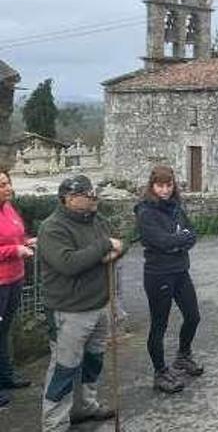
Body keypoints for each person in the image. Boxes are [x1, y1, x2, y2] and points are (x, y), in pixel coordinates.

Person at [38, 175, 124, 431]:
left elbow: (120, 243)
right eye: (88, 195)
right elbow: (69, 263)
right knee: (64, 367)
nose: (94, 198)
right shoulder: (52, 228)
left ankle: (86, 406)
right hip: (69, 311)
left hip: (99, 305)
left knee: (93, 360)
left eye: (93, 193)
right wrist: (105, 247)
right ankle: (54, 424)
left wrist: (116, 248)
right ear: (69, 199)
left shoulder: (96, 220)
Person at [135, 165, 202, 394]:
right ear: (152, 186)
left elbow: (192, 235)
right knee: (159, 325)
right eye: (160, 185)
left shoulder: (176, 207)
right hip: (158, 274)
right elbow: (160, 242)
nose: (165, 190)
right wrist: (178, 240)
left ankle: (183, 356)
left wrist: (177, 241)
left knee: (193, 316)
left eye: (169, 185)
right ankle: (160, 372)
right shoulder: (145, 212)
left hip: (180, 270)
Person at [0, 169, 33, 408]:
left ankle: (6, 376)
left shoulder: (9, 209)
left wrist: (26, 242)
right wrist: (15, 251)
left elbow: (13, 237)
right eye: (2, 185)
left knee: (4, 331)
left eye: (7, 183)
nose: (8, 188)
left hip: (14, 279)